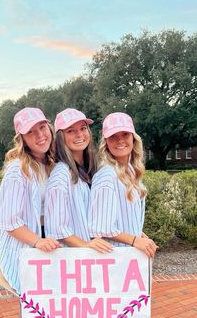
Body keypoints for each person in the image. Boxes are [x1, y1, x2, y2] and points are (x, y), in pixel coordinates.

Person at [0, 107, 60, 294]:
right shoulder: (18, 170)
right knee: (35, 311)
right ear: (22, 139)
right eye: (30, 132)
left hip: (48, 246)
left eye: (42, 127)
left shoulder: (49, 164)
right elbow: (9, 221)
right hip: (27, 248)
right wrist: (37, 242)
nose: (39, 135)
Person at [89, 112, 158, 258]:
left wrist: (138, 233)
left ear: (133, 138)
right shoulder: (106, 176)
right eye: (113, 136)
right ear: (106, 141)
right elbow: (102, 228)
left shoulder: (131, 171)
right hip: (113, 259)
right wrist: (135, 240)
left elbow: (125, 218)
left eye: (125, 134)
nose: (120, 140)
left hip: (129, 257)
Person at [44, 108, 112, 253]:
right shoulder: (61, 174)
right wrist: (86, 245)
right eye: (71, 131)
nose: (80, 134)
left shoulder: (91, 170)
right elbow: (57, 228)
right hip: (74, 261)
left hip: (93, 257)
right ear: (61, 137)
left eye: (83, 128)